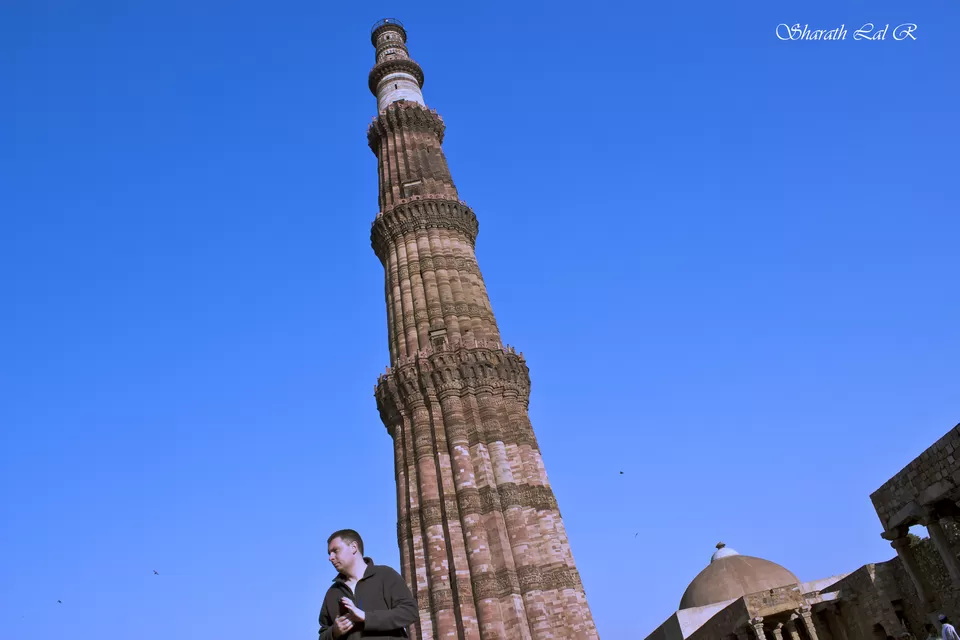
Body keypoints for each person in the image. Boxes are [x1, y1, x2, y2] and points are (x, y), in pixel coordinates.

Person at [318, 529, 418, 639]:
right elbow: (323, 634)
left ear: (353, 547)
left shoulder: (385, 575)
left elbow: (410, 612)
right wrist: (334, 632)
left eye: (335, 551)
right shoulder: (332, 593)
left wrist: (366, 617)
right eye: (329, 553)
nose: (330, 557)